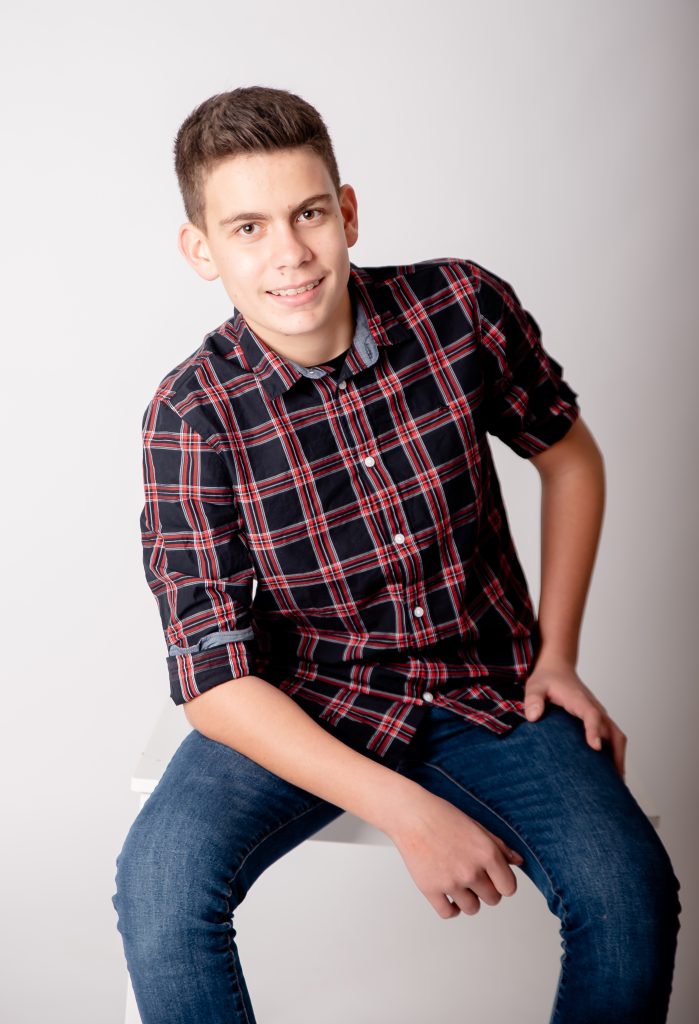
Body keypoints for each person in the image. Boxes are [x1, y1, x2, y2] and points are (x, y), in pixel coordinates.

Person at [112, 86, 681, 1023]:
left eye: (308, 213)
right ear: (202, 249)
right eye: (248, 227)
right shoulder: (191, 415)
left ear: (347, 211)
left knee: (630, 897)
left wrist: (558, 657)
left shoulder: (460, 306)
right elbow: (212, 682)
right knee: (160, 890)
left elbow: (568, 457)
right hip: (304, 696)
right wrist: (406, 812)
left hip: (484, 683)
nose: (289, 253)